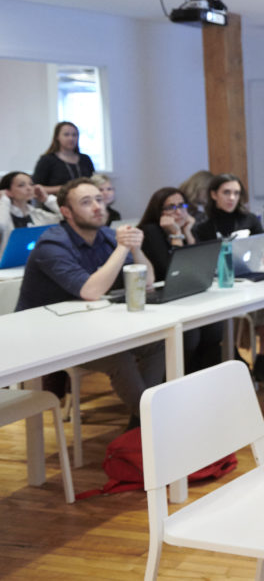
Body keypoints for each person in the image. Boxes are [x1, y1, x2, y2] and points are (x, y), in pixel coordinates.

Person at [15, 178, 164, 428]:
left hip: (88, 326)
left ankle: (141, 422)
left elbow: (147, 281)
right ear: (66, 212)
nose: (97, 207)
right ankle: (152, 423)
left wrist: (136, 250)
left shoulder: (105, 235)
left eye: (99, 199)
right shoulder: (52, 243)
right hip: (46, 336)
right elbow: (90, 291)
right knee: (119, 358)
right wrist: (121, 248)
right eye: (86, 202)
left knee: (157, 343)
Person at [193, 174, 264, 392]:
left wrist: (263, 254)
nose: (232, 198)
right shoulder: (203, 226)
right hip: (220, 284)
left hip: (248, 276)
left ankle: (263, 357)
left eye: (236, 193)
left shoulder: (249, 219)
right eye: (226, 192)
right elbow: (202, 258)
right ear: (214, 194)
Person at [138, 186, 223, 373]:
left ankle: (207, 378)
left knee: (215, 327)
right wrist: (176, 235)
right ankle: (182, 378)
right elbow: (173, 271)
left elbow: (201, 266)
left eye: (181, 205)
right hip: (160, 299)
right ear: (158, 211)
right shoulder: (150, 231)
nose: (178, 211)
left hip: (184, 295)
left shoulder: (186, 228)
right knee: (190, 335)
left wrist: (189, 233)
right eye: (170, 207)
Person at [0, 170, 61, 258]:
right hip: (6, 267)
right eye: (21, 185)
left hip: (34, 262)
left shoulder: (37, 214)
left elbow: (66, 218)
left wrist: (47, 200)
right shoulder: (4, 214)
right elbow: (2, 225)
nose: (29, 188)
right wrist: (4, 201)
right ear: (8, 191)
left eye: (31, 184)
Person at [32, 121, 96, 196]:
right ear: (57, 137)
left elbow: (94, 181)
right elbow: (35, 188)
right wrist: (65, 188)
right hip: (55, 203)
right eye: (66, 135)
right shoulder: (47, 160)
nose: (71, 138)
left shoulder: (85, 159)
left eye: (74, 135)